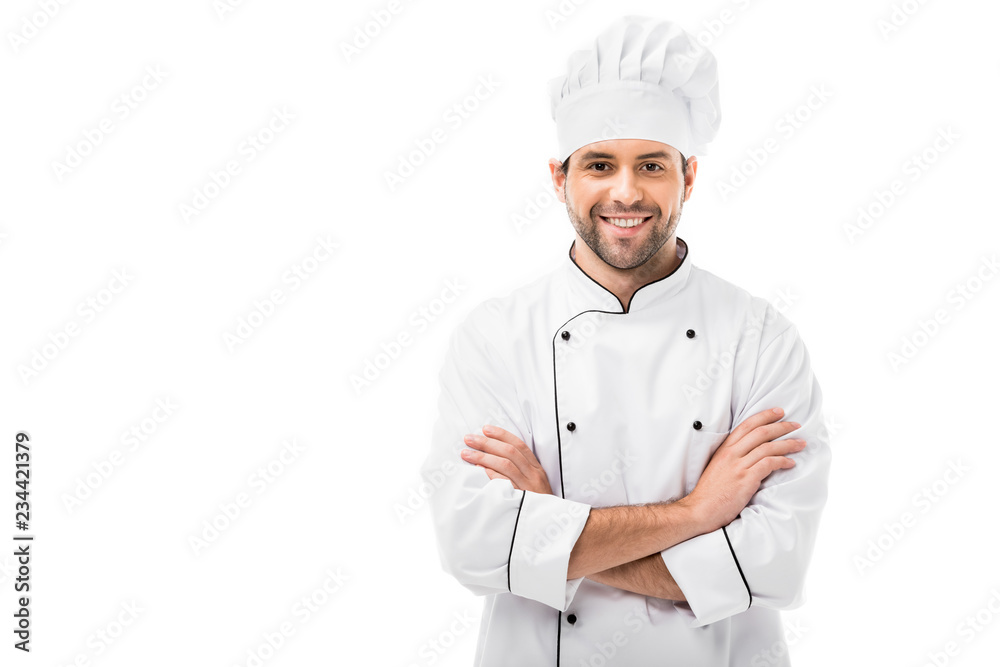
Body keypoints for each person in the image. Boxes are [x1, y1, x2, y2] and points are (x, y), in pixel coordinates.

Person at [420, 15, 831, 666]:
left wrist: (550, 527)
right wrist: (699, 513)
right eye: (600, 164)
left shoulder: (759, 337)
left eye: (651, 164)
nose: (626, 191)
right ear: (560, 178)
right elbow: (475, 546)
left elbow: (775, 562)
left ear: (688, 177)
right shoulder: (495, 337)